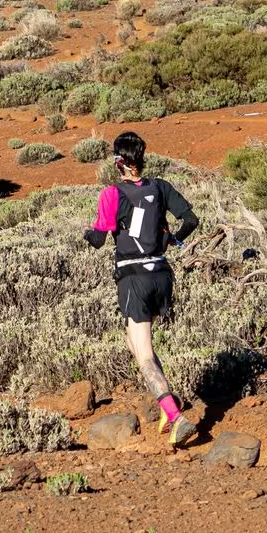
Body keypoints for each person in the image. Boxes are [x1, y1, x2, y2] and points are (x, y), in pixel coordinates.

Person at [83, 131, 200, 445]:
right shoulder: (159, 186)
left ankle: (175, 417)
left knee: (144, 354)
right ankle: (167, 407)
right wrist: (173, 239)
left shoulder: (112, 194)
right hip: (162, 274)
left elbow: (98, 239)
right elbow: (191, 219)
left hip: (133, 277)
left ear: (119, 162)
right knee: (136, 345)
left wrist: (87, 233)